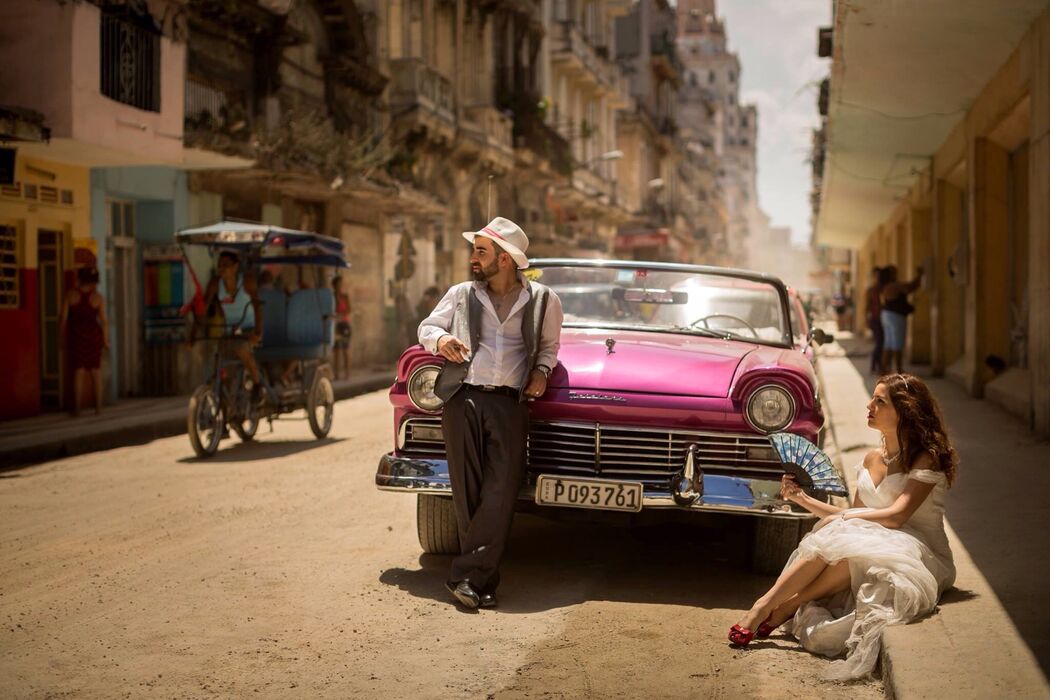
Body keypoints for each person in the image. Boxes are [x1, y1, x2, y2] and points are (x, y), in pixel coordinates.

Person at [729, 373, 957, 680]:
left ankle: (790, 603)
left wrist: (844, 519)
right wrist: (802, 498)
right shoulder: (872, 458)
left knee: (846, 534)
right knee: (845, 535)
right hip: (876, 537)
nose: (869, 405)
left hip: (920, 550)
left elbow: (896, 516)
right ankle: (764, 606)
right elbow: (857, 514)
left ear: (905, 411)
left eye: (880, 401)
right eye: (872, 398)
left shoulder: (925, 459)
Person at [418, 216, 563, 610]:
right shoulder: (461, 292)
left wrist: (541, 371)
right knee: (469, 492)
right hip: (461, 398)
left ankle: (468, 576)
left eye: (481, 251)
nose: (472, 258)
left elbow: (549, 346)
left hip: (509, 404)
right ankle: (480, 582)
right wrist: (442, 338)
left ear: (504, 259)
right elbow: (427, 327)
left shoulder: (544, 300)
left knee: (501, 491)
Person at [191, 250, 263, 400]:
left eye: (226, 265)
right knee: (221, 359)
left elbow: (258, 306)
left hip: (248, 327)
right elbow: (203, 308)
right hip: (229, 329)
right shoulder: (215, 284)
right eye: (219, 265)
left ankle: (257, 384)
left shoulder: (247, 282)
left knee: (242, 349)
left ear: (236, 266)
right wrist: (193, 334)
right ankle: (228, 404)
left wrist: (258, 332)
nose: (221, 268)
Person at [60, 267, 109, 415]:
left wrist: (62, 338)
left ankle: (77, 409)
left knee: (78, 371)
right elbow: (104, 321)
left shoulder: (70, 295)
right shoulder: (98, 298)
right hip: (94, 336)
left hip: (77, 336)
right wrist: (105, 341)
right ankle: (99, 408)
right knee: (96, 371)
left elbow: (63, 319)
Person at [880, 265, 924, 374]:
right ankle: (899, 370)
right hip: (895, 317)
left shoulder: (885, 286)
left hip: (886, 315)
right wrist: (920, 275)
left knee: (888, 344)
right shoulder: (894, 286)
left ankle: (883, 370)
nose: (896, 274)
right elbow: (911, 287)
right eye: (894, 273)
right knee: (897, 344)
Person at [864, 267, 886, 376]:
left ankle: (878, 365)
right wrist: (866, 320)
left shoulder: (883, 289)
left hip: (884, 319)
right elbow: (867, 306)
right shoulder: (871, 290)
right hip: (875, 319)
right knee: (879, 342)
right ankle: (875, 365)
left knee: (882, 343)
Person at [332, 275, 352, 380]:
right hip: (335, 325)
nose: (339, 286)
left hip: (344, 324)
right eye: (337, 284)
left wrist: (339, 313)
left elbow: (348, 310)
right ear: (334, 286)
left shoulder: (345, 297)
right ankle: (336, 374)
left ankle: (347, 373)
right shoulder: (332, 297)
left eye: (340, 284)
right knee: (336, 351)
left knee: (345, 349)